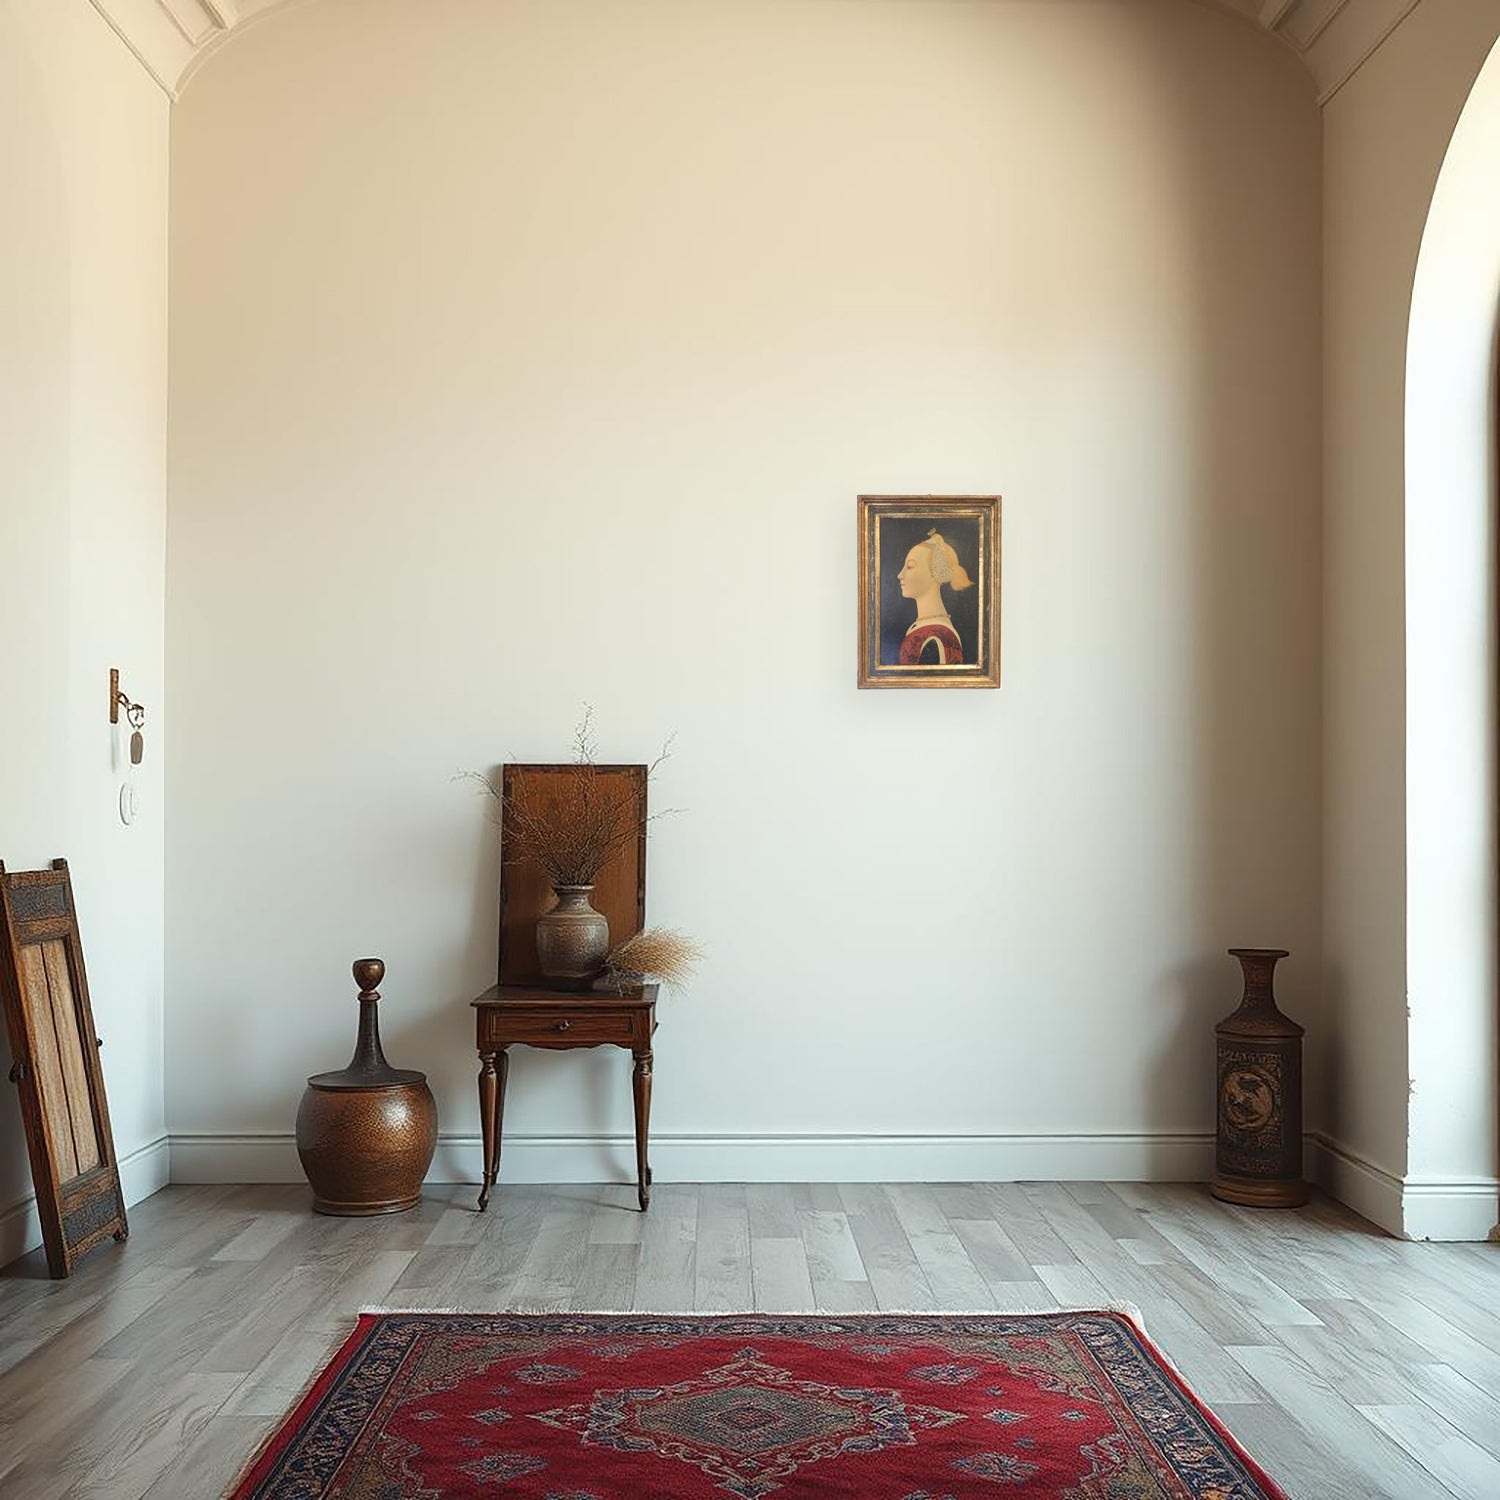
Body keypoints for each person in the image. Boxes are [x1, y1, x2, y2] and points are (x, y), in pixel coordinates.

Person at [895, 529, 972, 664]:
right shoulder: (920, 625)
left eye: (910, 566)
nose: (900, 575)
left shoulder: (939, 638)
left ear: (934, 574)